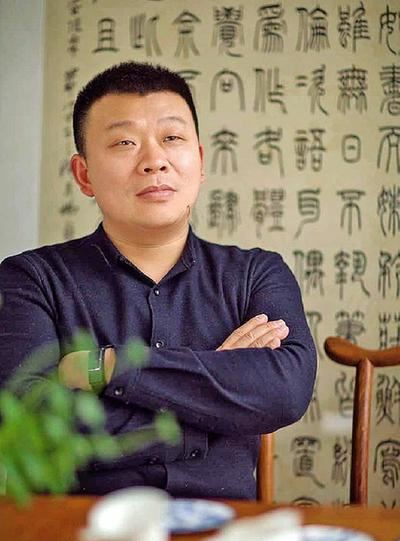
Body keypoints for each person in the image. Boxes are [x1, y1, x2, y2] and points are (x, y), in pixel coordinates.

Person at [0, 62, 317, 499]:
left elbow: (285, 391)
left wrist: (106, 367)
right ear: (84, 174)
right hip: (79, 529)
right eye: (124, 142)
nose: (154, 161)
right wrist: (213, 401)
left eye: (171, 138)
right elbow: (29, 424)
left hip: (224, 530)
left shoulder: (256, 274)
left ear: (200, 160)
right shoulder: (31, 279)